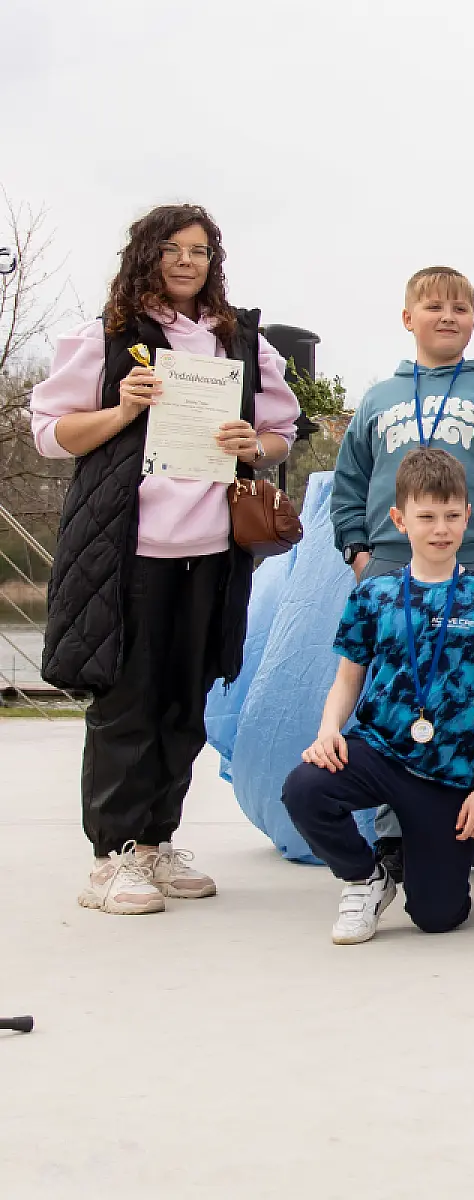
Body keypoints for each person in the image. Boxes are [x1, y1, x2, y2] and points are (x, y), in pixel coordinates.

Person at [33, 202, 299, 915]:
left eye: (200, 251)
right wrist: (122, 411)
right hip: (129, 551)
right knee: (128, 703)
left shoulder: (239, 341)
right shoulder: (106, 336)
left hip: (211, 553)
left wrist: (254, 445)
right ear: (145, 255)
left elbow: (281, 431)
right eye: (173, 249)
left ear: (214, 262)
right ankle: (111, 858)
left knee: (185, 704)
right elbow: (50, 435)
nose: (187, 261)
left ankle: (155, 844)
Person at [330, 265, 474, 884]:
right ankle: (395, 831)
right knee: (395, 693)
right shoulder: (380, 398)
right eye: (434, 306)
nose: (448, 316)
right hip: (394, 564)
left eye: (460, 307)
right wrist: (360, 553)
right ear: (408, 318)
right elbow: (349, 484)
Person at [282, 450, 474, 944]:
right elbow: (347, 678)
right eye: (427, 517)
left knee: (437, 916)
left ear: (468, 516)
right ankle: (365, 878)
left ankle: (429, 862)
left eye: (451, 516)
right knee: (304, 788)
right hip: (381, 751)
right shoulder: (373, 594)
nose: (441, 529)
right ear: (399, 520)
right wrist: (328, 731)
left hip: (449, 771)